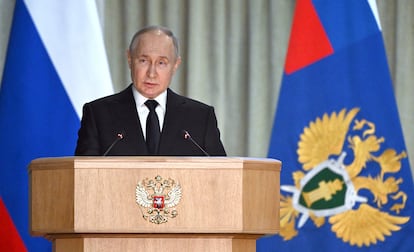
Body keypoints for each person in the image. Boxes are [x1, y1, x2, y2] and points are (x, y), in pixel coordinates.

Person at [75, 25, 226, 156]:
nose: (151, 73)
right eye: (143, 61)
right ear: (129, 59)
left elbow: (221, 175)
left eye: (161, 63)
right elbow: (83, 177)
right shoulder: (98, 114)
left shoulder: (200, 117)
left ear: (175, 65)